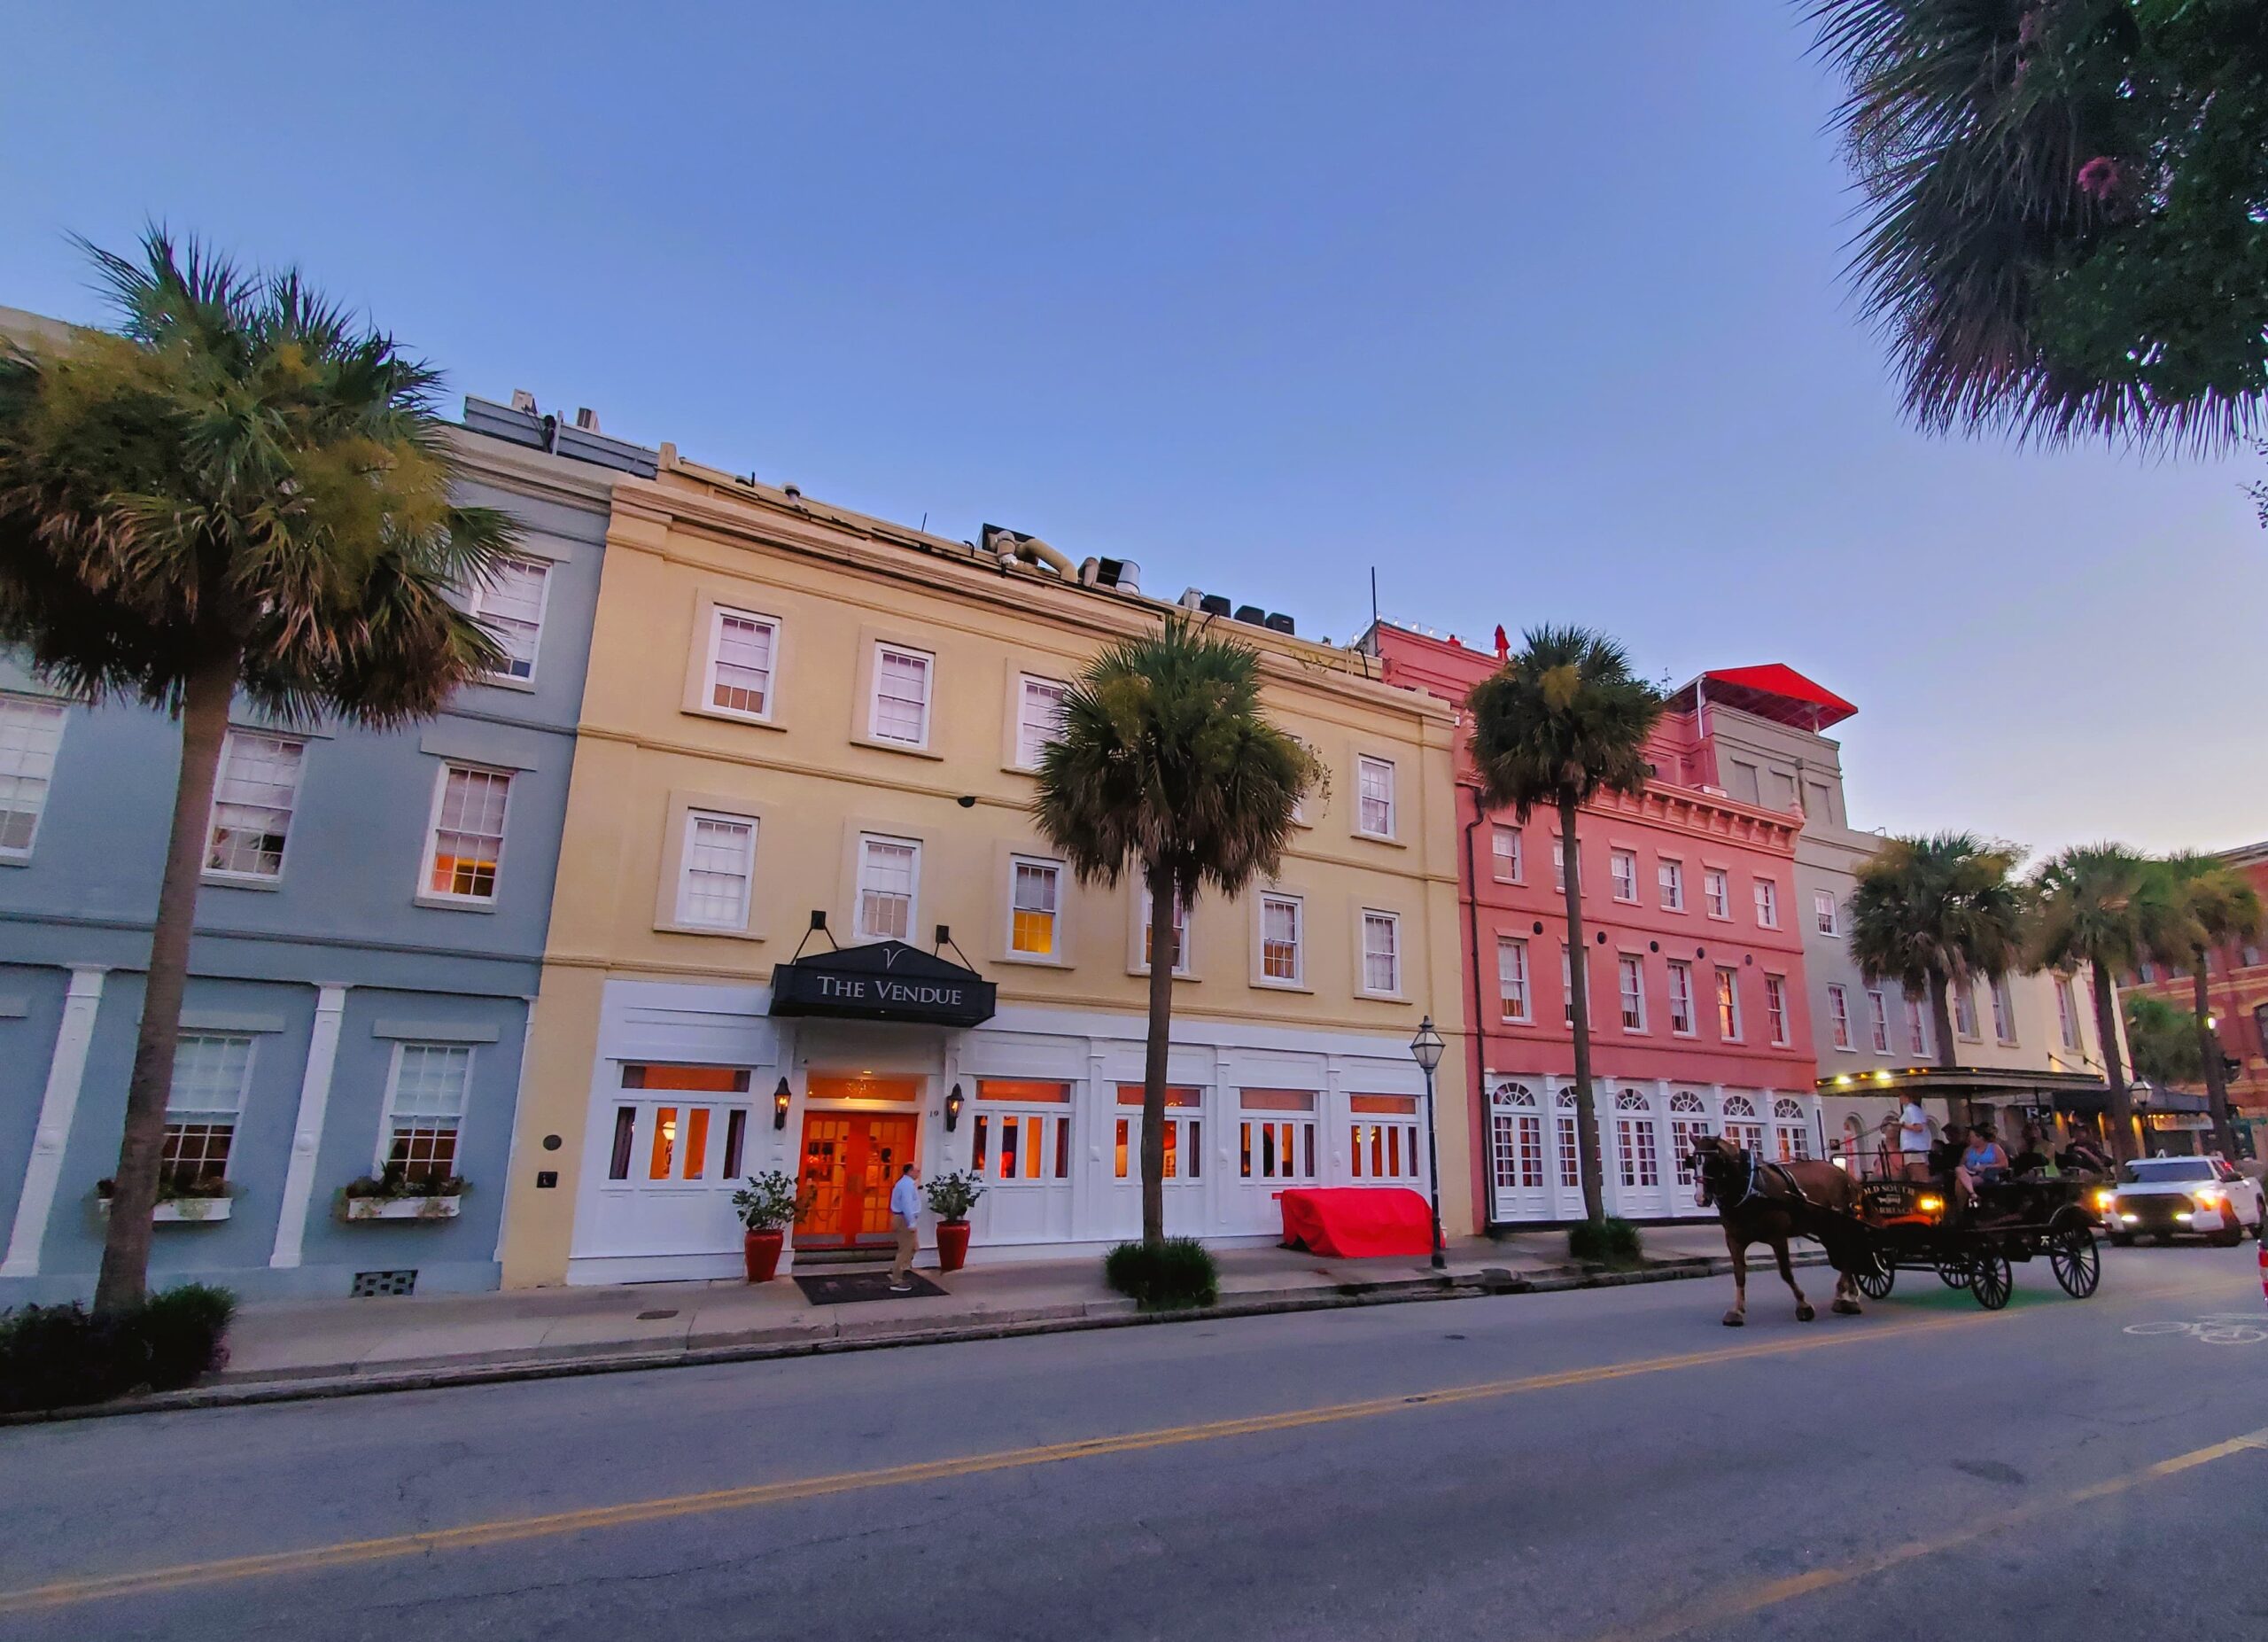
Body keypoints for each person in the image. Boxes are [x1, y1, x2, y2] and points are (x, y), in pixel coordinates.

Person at [888, 1163, 921, 1291]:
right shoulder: (906, 1185)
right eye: (917, 1170)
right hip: (904, 1219)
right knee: (905, 1249)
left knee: (912, 1247)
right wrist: (911, 1223)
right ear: (910, 1171)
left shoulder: (905, 1184)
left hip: (904, 1218)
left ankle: (897, 1270)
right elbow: (907, 1205)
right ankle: (896, 1280)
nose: (918, 1173)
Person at [1898, 1097, 1933, 1181]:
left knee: (1920, 1175)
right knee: (1913, 1175)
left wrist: (1902, 1125)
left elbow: (1918, 1127)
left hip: (1915, 1148)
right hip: (1910, 1148)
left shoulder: (1912, 1109)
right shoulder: (1908, 1110)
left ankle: (1927, 1191)